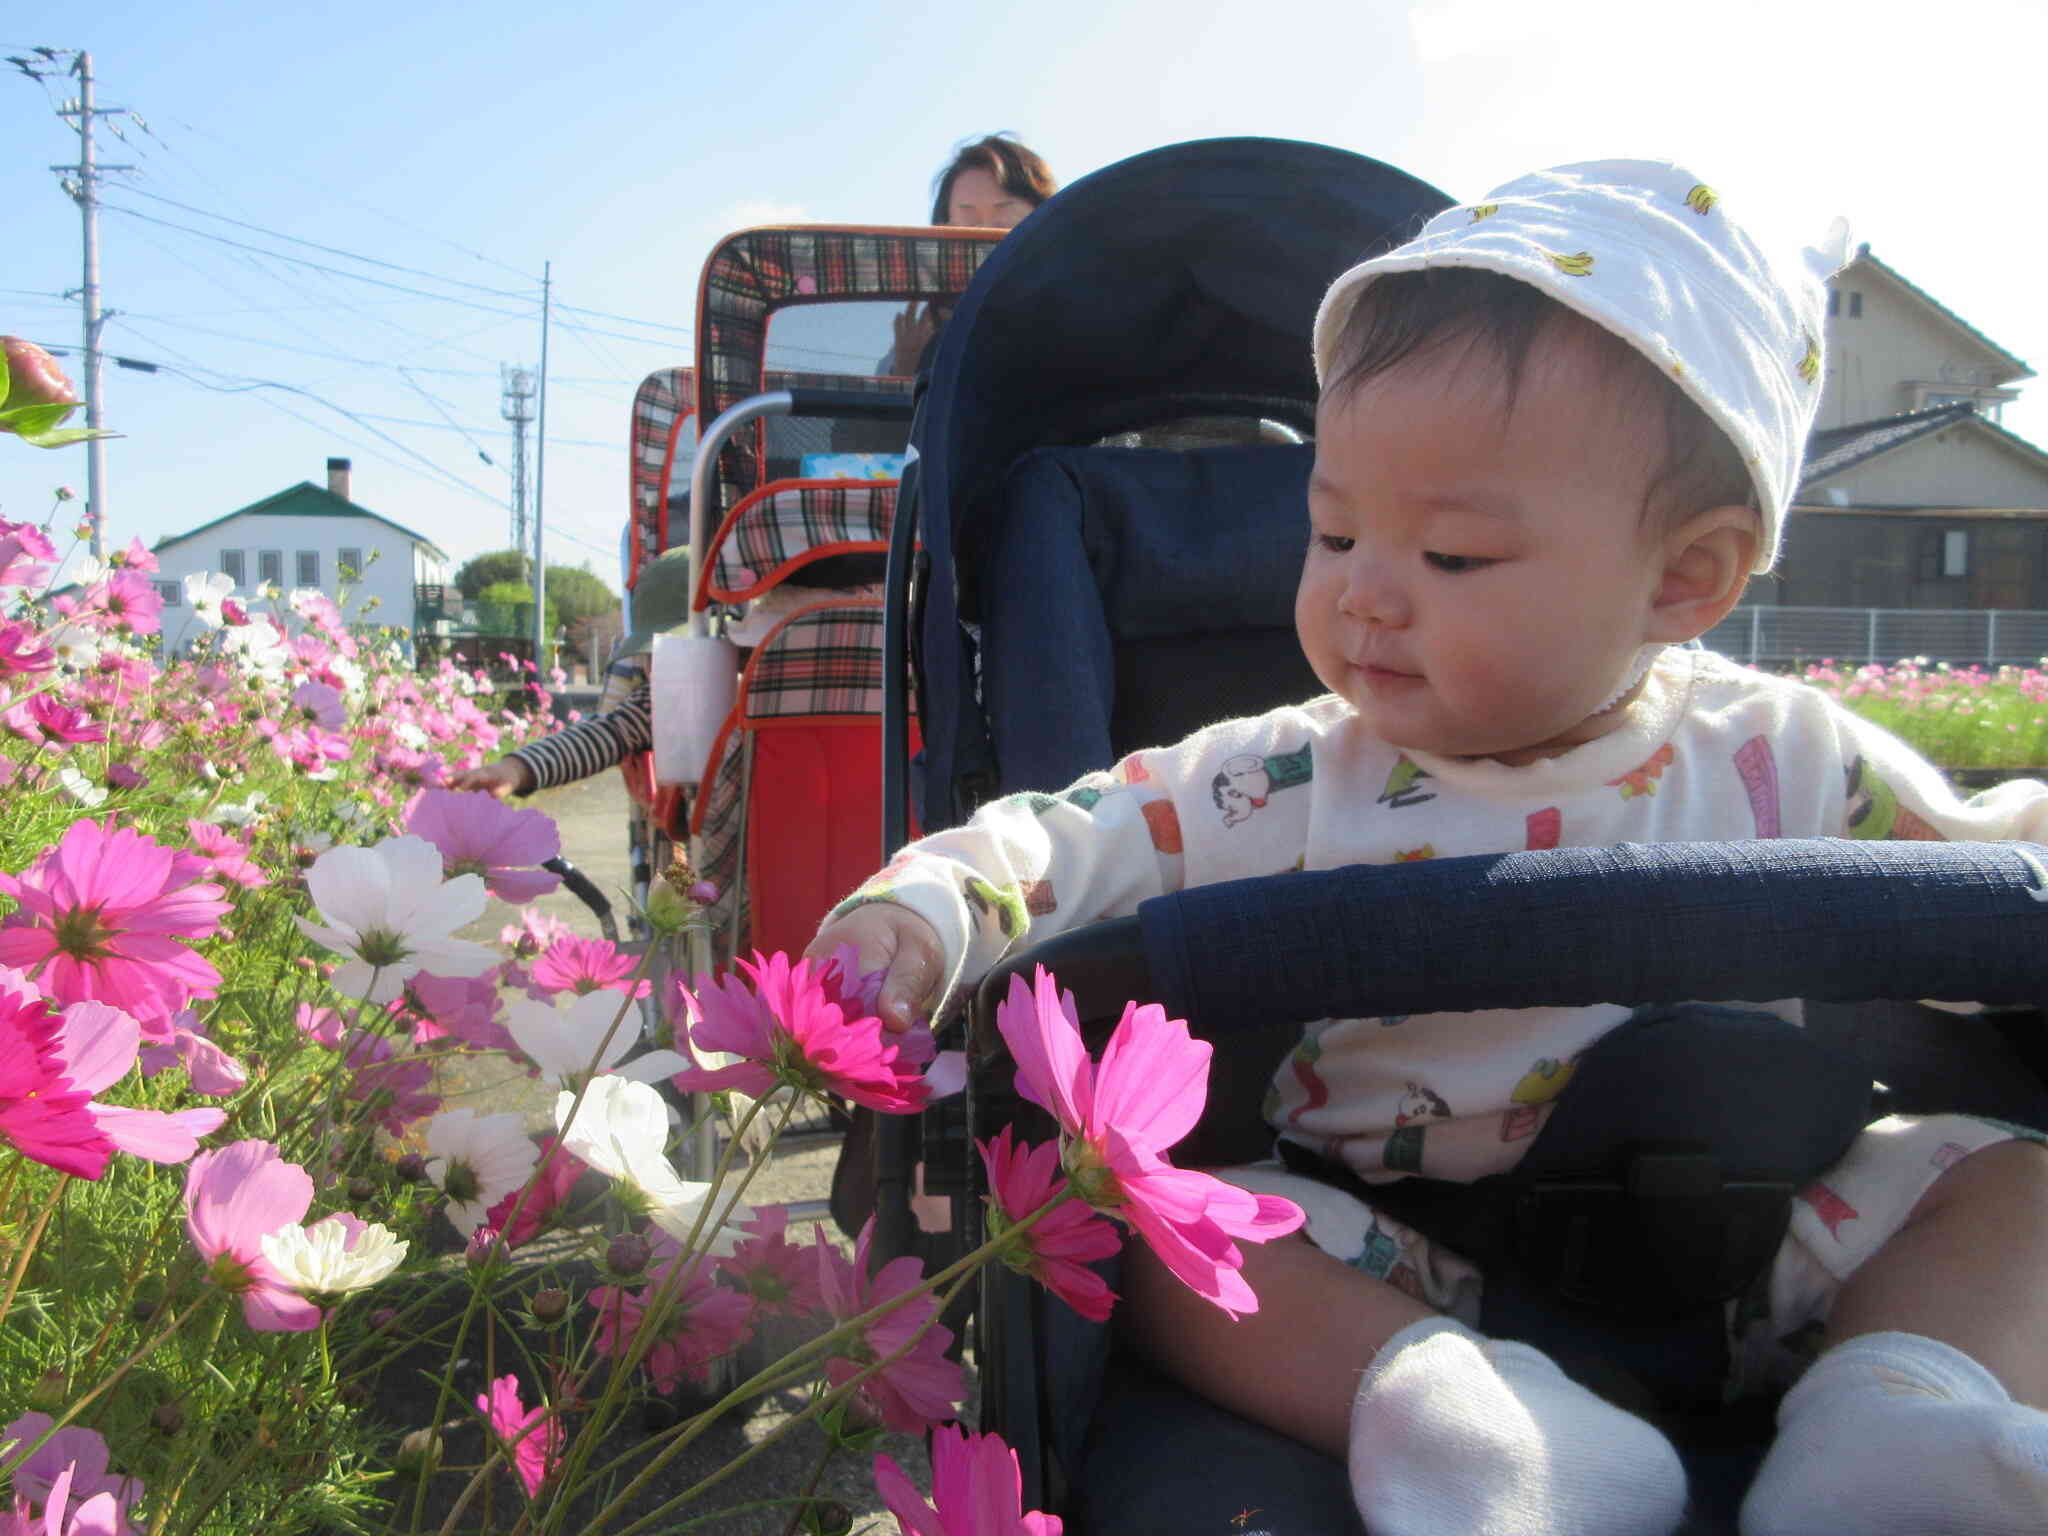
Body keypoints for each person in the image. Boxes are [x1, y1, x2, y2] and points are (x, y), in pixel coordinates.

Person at [805, 161, 2048, 1536]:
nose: (1361, 596)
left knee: (2011, 1180)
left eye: (1451, 557)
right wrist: (924, 910)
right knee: (1162, 1226)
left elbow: (1987, 879)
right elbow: (1073, 838)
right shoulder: (1288, 770)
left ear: (1685, 578)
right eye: (1333, 530)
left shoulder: (1788, 754)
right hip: (1402, 1260)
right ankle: (1468, 1431)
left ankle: (1894, 1421)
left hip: (1762, 1238)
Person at [884, 134, 1057, 376]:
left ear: (1045, 219)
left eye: (1002, 228)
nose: (986, 243)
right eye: (971, 227)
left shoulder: (1078, 312)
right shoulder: (923, 334)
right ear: (943, 231)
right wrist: (908, 369)